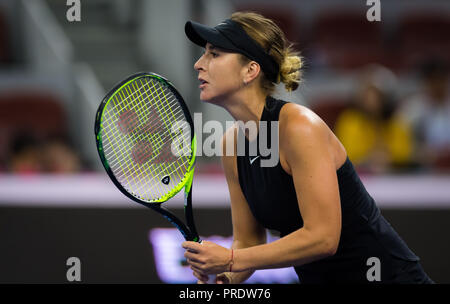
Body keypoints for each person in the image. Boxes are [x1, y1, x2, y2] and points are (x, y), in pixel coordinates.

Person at [182, 12, 433, 284]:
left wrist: (231, 259)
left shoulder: (301, 128)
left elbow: (323, 238)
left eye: (214, 54)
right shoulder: (231, 144)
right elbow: (248, 239)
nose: (198, 64)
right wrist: (225, 278)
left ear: (250, 71)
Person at [334, 64, 414, 174]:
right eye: (367, 95)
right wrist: (369, 159)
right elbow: (346, 156)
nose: (371, 101)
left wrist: (388, 159)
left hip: (395, 177)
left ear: (387, 98)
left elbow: (405, 154)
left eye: (377, 95)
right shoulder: (349, 121)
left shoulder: (397, 121)